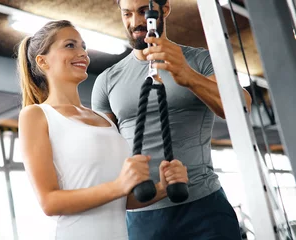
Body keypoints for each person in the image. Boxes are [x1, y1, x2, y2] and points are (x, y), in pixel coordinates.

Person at [91, 0, 253, 239]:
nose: (135, 22)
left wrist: (186, 75)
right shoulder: (106, 81)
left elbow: (242, 106)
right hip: (142, 215)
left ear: (164, 9)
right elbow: (104, 154)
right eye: (126, 14)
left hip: (204, 207)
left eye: (143, 12)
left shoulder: (200, 60)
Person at [16, 20, 188, 240]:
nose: (82, 54)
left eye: (83, 47)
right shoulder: (36, 115)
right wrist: (119, 186)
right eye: (70, 45)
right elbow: (50, 202)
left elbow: (121, 200)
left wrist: (163, 187)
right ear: (43, 61)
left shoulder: (102, 118)